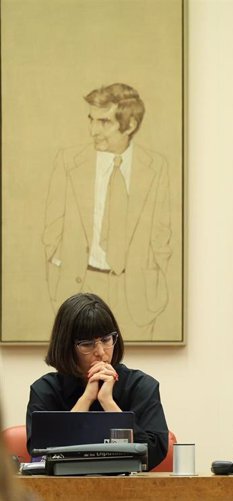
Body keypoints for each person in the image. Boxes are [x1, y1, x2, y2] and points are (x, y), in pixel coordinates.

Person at [43, 83, 172, 341]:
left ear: (130, 125)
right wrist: (58, 269)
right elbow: (51, 230)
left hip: (137, 294)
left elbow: (162, 234)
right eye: (92, 120)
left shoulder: (155, 167)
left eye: (104, 122)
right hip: (80, 284)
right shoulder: (68, 162)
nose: (93, 131)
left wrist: (153, 273)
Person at [26, 292, 169, 470]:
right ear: (66, 346)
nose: (101, 352)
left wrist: (108, 403)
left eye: (106, 339)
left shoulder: (141, 386)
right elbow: (41, 454)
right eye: (87, 344)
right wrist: (86, 399)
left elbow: (154, 454)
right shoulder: (45, 390)